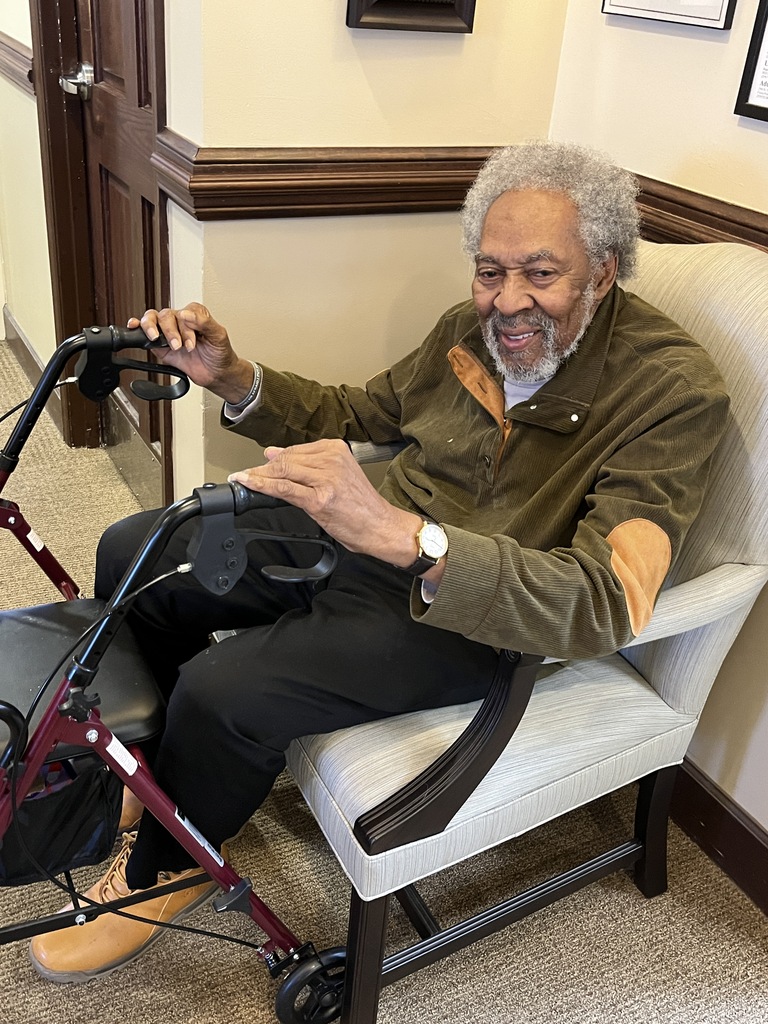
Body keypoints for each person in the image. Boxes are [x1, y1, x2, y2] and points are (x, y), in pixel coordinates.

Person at [30, 140, 729, 982]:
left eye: (541, 275)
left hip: (471, 609)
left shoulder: (671, 392)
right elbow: (363, 411)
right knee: (139, 549)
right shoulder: (465, 328)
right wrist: (234, 377)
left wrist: (407, 539)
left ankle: (170, 866)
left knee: (226, 690)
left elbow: (605, 600)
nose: (507, 301)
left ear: (604, 272)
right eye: (490, 271)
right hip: (372, 530)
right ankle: (168, 779)